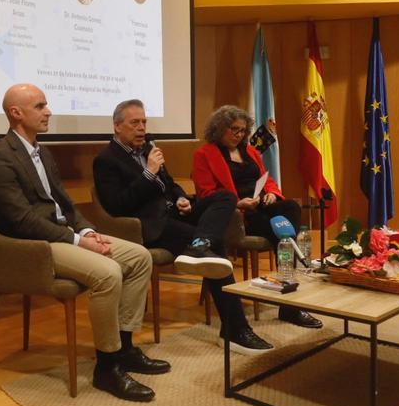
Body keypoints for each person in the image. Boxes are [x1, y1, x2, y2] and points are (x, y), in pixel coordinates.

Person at [0, 84, 164, 402]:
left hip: (64, 235)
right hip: (35, 246)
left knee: (139, 257)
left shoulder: (43, 152)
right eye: (40, 106)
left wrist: (88, 232)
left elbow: (65, 206)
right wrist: (78, 241)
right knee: (108, 273)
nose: (48, 111)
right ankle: (106, 367)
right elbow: (21, 221)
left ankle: (125, 347)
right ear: (16, 113)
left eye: (46, 105)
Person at [93, 100, 274, 354]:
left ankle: (201, 244)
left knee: (225, 197)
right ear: (117, 126)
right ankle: (235, 329)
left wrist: (179, 197)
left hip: (175, 212)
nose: (141, 128)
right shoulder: (106, 160)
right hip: (149, 225)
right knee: (218, 245)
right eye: (134, 123)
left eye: (144, 122)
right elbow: (118, 206)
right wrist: (148, 173)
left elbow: (170, 185)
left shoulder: (148, 149)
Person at [192, 105, 323, 330]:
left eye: (243, 130)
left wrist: (271, 193)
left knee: (290, 205)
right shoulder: (204, 155)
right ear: (219, 128)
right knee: (281, 238)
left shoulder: (250, 151)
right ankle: (291, 300)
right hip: (238, 216)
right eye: (234, 129)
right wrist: (237, 203)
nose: (239, 134)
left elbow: (266, 179)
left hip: (261, 205)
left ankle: (289, 262)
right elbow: (206, 194)